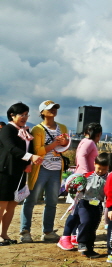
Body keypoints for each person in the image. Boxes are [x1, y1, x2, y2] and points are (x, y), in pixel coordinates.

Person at [20, 100, 70, 243]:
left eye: (55, 108)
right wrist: (55, 143)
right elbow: (38, 151)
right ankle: (25, 230)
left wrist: (63, 143)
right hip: (40, 168)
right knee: (31, 200)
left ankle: (48, 231)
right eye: (50, 108)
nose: (53, 110)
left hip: (56, 168)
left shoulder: (63, 127)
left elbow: (66, 145)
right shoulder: (37, 129)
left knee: (52, 202)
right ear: (42, 112)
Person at [0, 103, 43, 245]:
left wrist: (28, 164)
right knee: (2, 205)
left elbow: (29, 149)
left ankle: (4, 234)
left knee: (12, 205)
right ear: (12, 115)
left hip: (19, 173)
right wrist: (30, 158)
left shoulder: (25, 131)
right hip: (5, 172)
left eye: (26, 114)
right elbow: (11, 148)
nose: (25, 117)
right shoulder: (7, 130)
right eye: (22, 114)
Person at [57, 122, 102, 251]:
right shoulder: (90, 143)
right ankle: (65, 237)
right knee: (76, 210)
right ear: (98, 134)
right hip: (83, 181)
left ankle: (72, 236)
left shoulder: (84, 141)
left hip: (82, 178)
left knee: (78, 210)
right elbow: (82, 157)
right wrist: (87, 174)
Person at [74, 152, 110, 258]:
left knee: (93, 226)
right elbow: (77, 188)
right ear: (94, 164)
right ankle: (81, 242)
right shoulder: (86, 176)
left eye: (104, 169)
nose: (101, 171)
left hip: (98, 205)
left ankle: (89, 249)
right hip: (84, 203)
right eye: (99, 168)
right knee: (86, 222)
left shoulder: (108, 179)